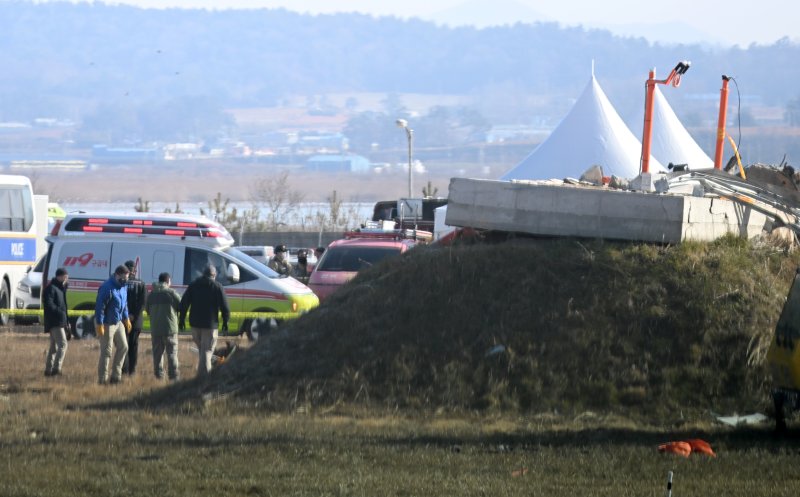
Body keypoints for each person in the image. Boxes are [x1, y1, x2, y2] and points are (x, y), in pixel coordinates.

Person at [179, 264, 230, 376]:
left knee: (203, 352)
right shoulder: (217, 287)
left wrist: (181, 320)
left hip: (195, 325)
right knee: (207, 352)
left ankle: (200, 376)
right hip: (210, 326)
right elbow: (225, 307)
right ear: (214, 275)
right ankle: (204, 379)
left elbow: (184, 304)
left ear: (203, 274)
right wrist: (226, 322)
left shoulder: (193, 285)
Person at [95, 264, 131, 385]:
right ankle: (102, 380)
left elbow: (124, 304)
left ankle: (116, 376)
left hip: (118, 322)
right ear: (116, 275)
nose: (125, 280)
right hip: (106, 323)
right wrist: (99, 324)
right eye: (123, 277)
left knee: (124, 347)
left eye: (127, 278)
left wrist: (126, 318)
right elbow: (100, 307)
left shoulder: (123, 287)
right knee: (107, 351)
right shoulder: (107, 287)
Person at [146, 272, 181, 381]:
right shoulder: (171, 293)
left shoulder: (151, 295)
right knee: (171, 353)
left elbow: (147, 310)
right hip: (170, 330)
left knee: (157, 355)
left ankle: (159, 376)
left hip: (156, 330)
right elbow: (181, 306)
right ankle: (174, 376)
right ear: (168, 281)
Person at [43, 267, 70, 377]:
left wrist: (66, 321)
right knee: (63, 344)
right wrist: (60, 313)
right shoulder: (51, 288)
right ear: (60, 276)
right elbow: (49, 305)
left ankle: (48, 370)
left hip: (60, 321)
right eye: (65, 276)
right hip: (54, 322)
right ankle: (56, 369)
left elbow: (64, 308)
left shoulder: (61, 289)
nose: (67, 278)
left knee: (53, 347)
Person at [122, 260, 147, 376]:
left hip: (122, 319)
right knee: (134, 345)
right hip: (137, 320)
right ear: (134, 270)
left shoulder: (121, 283)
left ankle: (124, 369)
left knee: (123, 345)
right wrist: (134, 315)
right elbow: (143, 303)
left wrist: (127, 315)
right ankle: (132, 371)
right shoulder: (141, 283)